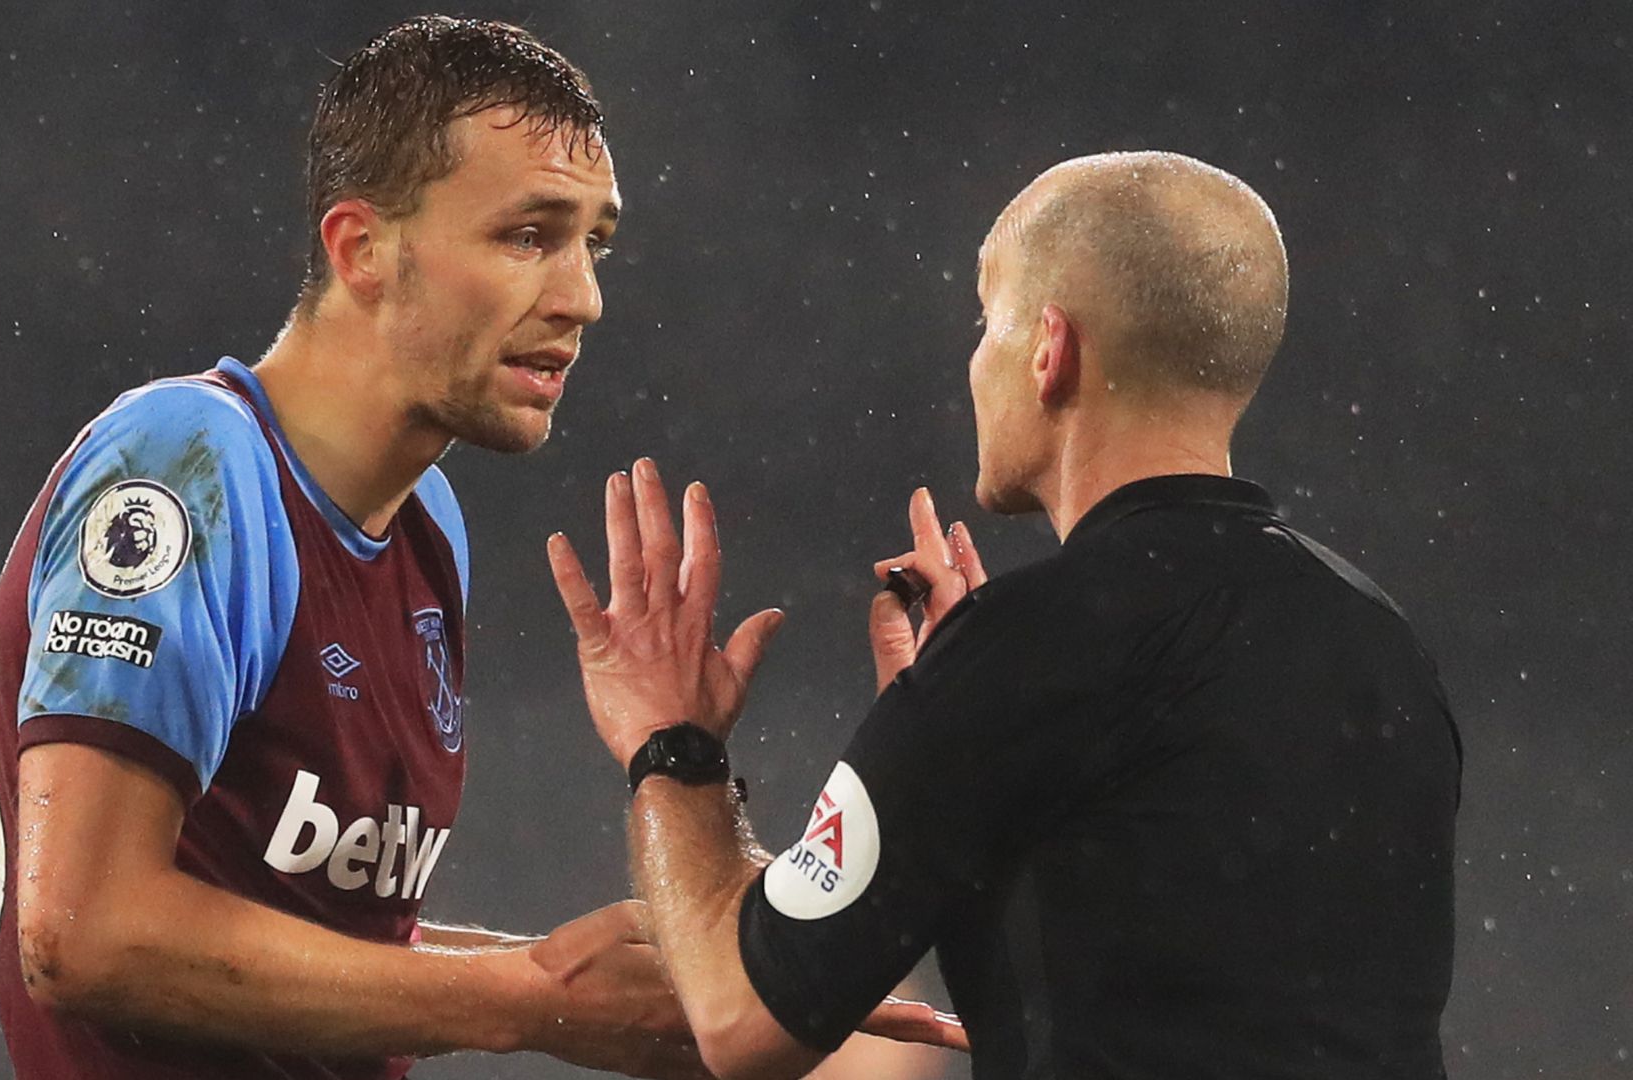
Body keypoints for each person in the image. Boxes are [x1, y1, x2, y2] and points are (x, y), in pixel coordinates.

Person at [0, 16, 961, 1080]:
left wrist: (591, 987)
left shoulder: (425, 525)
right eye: (528, 235)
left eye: (596, 243)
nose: (583, 295)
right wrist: (525, 1000)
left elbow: (305, 934)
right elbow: (81, 935)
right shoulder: (187, 467)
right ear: (360, 249)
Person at [546, 151, 1463, 1080]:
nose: (974, 360)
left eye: (988, 320)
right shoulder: (1379, 638)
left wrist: (673, 742)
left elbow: (741, 1017)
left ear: (1048, 350)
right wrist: (959, 754)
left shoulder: (1036, 647)